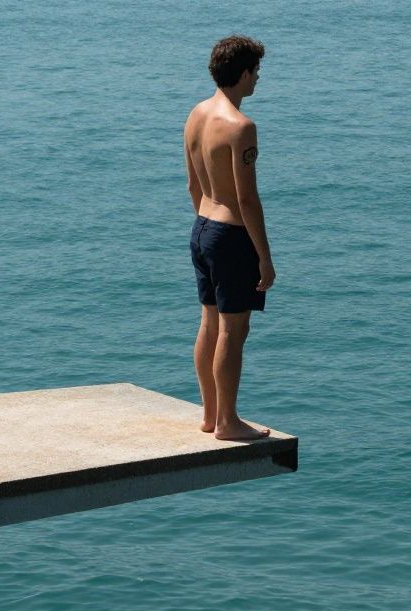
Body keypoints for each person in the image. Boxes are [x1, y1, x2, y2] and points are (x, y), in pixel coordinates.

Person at [184, 35, 277, 440]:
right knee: (233, 331)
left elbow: (192, 185)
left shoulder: (196, 115)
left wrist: (207, 235)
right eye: (256, 71)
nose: (258, 79)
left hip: (202, 228)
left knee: (209, 323)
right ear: (243, 73)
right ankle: (228, 422)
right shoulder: (241, 127)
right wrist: (264, 257)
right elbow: (246, 199)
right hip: (230, 234)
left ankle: (209, 414)